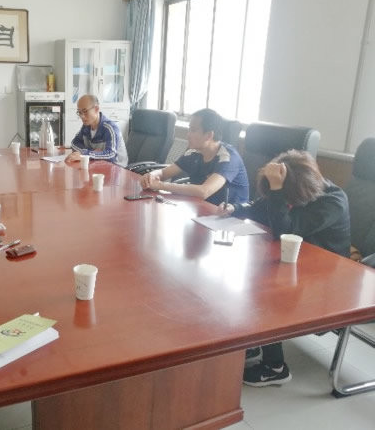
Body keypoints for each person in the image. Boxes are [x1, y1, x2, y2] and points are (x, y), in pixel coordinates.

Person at [218, 149, 350, 386]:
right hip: (299, 264)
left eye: (283, 194)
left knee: (265, 289)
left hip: (329, 280)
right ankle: (257, 341)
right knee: (249, 276)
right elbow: (260, 206)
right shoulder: (300, 191)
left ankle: (276, 367)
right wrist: (235, 209)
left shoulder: (332, 202)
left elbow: (286, 231)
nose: (282, 199)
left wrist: (278, 190)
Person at [140, 108, 249, 206]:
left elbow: (204, 191)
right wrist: (151, 175)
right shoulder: (193, 153)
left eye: (193, 130)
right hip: (201, 208)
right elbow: (164, 173)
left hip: (230, 216)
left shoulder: (228, 158)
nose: (188, 135)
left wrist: (160, 185)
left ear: (209, 135)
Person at [65, 94, 128, 167]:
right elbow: (74, 143)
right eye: (79, 112)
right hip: (98, 165)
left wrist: (85, 154)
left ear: (96, 109)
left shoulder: (110, 128)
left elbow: (111, 154)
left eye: (85, 111)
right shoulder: (86, 126)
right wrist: (89, 152)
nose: (82, 116)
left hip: (117, 168)